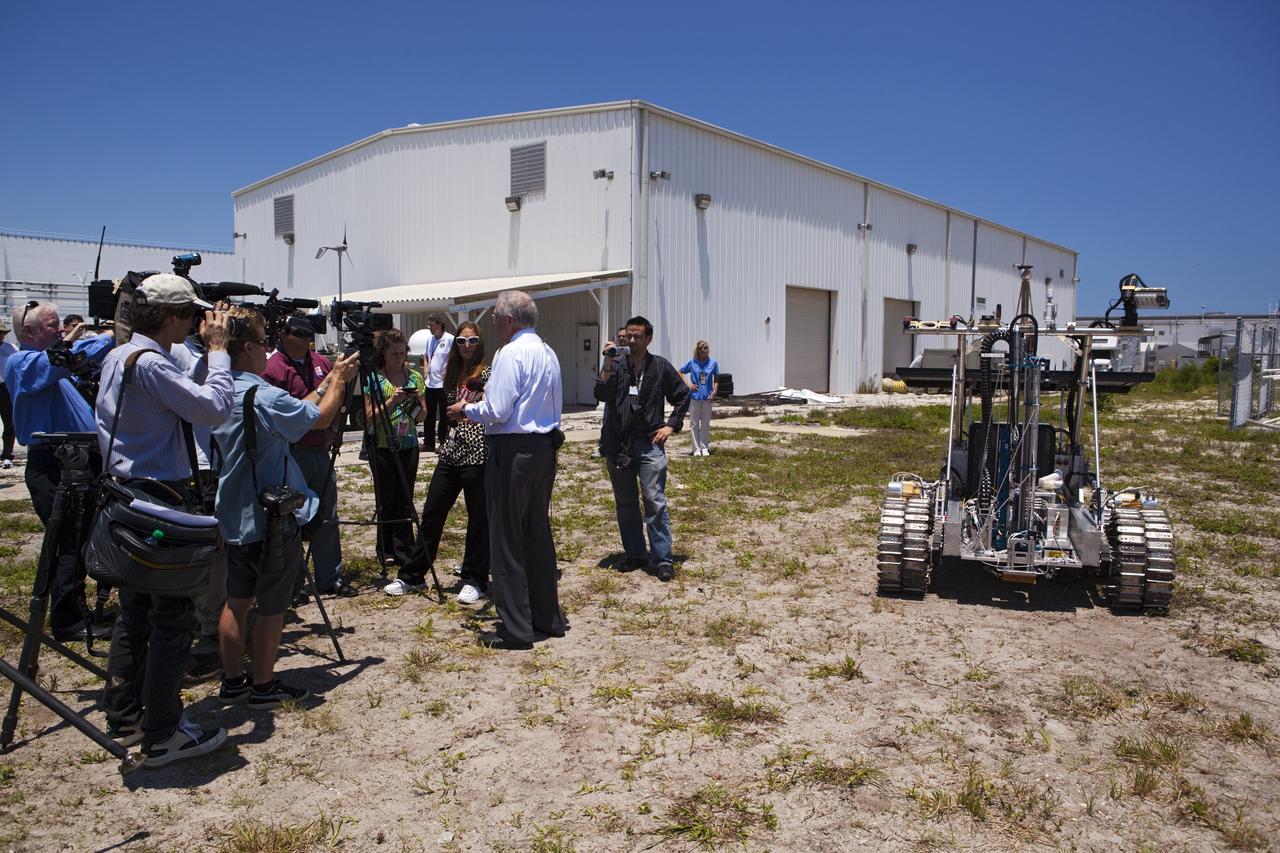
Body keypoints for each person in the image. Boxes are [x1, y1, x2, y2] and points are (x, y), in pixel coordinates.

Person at [94, 274, 234, 768]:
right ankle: (164, 732)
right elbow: (215, 408)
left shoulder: (119, 355)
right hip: (160, 498)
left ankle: (126, 714)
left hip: (128, 497)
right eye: (191, 316)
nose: (198, 322)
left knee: (134, 613)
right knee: (171, 616)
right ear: (173, 317)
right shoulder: (151, 364)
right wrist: (218, 351)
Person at [211, 307, 358, 710]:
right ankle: (263, 684)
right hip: (270, 517)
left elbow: (297, 411)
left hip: (234, 512)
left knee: (236, 600)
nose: (267, 351)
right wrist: (340, 384)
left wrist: (327, 378)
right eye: (262, 343)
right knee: (272, 605)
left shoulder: (220, 389)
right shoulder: (263, 394)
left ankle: (233, 681)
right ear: (246, 348)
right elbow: (319, 417)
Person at [447, 290, 564, 650]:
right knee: (536, 534)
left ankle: (515, 627)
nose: (493, 323)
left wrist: (465, 411)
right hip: (544, 446)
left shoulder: (510, 353)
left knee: (506, 539)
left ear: (510, 320)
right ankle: (547, 617)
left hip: (512, 450)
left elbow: (497, 409)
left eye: (495, 317)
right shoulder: (548, 351)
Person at [4, 301, 115, 640]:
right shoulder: (23, 363)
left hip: (77, 462)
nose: (60, 331)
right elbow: (65, 356)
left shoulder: (54, 371)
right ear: (29, 332)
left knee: (80, 539)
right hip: (54, 466)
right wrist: (110, 334)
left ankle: (76, 609)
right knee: (67, 542)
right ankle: (68, 621)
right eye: (52, 327)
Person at [386, 321, 490, 602]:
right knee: (432, 513)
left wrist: (468, 410)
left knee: (478, 519)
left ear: (480, 343)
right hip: (452, 453)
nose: (466, 346)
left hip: (479, 453)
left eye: (472, 341)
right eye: (461, 341)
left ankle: (475, 577)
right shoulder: (452, 373)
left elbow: (495, 409)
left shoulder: (490, 372)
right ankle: (413, 574)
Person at [262, 314, 356, 597]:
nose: (307, 338)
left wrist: (334, 429)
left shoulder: (322, 363)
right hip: (291, 451)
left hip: (318, 449)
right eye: (299, 333)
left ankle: (329, 576)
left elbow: (337, 399)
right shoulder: (273, 368)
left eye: (309, 332)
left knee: (327, 514)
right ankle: (291, 582)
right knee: (290, 518)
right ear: (284, 334)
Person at [595, 316, 690, 581]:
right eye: (629, 336)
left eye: (638, 336)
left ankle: (662, 559)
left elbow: (682, 395)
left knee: (654, 499)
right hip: (619, 444)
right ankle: (635, 554)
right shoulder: (617, 365)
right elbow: (601, 393)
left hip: (650, 443)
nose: (632, 340)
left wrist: (671, 425)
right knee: (625, 502)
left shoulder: (659, 366)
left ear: (648, 338)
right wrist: (607, 362)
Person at [365, 328, 427, 569]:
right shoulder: (375, 380)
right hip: (381, 444)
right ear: (384, 353)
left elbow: (422, 416)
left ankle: (404, 547)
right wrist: (393, 400)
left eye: (403, 353)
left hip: (408, 444)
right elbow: (370, 417)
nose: (399, 358)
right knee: (385, 498)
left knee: (405, 497)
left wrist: (413, 403)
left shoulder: (414, 377)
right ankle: (385, 547)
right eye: (394, 353)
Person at [679, 340, 719, 456]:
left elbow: (716, 378)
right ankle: (696, 449)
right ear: (697, 350)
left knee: (705, 423)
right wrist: (688, 385)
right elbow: (680, 372)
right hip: (695, 397)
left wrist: (715, 390)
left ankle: (704, 447)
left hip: (708, 397)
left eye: (705, 347)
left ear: (708, 349)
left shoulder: (713, 363)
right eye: (701, 348)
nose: (703, 350)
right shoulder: (692, 363)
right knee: (694, 423)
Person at [421, 313, 453, 453]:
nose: (430, 328)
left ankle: (443, 441)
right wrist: (426, 367)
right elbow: (426, 355)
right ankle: (428, 442)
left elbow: (454, 358)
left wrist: (449, 372)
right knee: (429, 413)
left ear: (439, 324)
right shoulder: (430, 340)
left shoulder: (450, 339)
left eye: (432, 325)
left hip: (443, 383)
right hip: (430, 382)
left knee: (444, 414)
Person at [0, 320, 17, 468]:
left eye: (2, 333)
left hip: (5, 387)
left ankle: (7, 455)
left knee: (9, 422)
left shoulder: (11, 348)